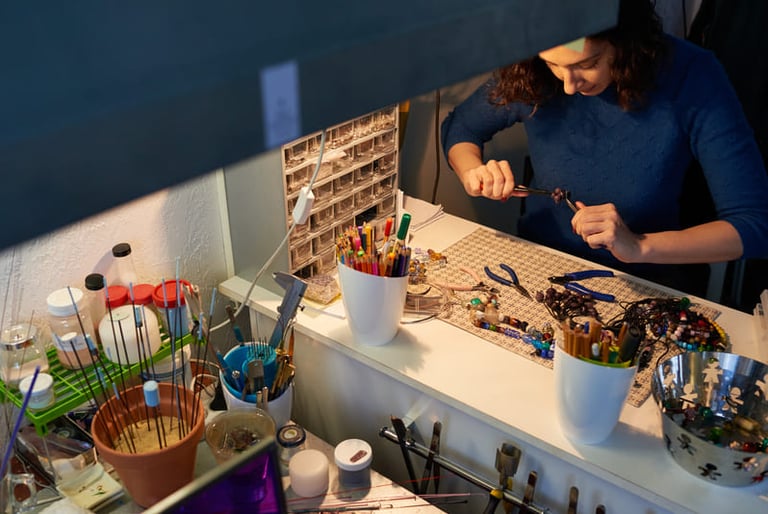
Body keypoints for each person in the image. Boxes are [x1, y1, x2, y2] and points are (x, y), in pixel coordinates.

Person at [440, 0, 768, 295]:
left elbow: (755, 225)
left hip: (645, 285)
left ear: (624, 40)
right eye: (553, 64)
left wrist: (639, 246)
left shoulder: (691, 76)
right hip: (541, 267)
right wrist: (474, 172)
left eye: (588, 63)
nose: (569, 86)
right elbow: (461, 127)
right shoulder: (532, 69)